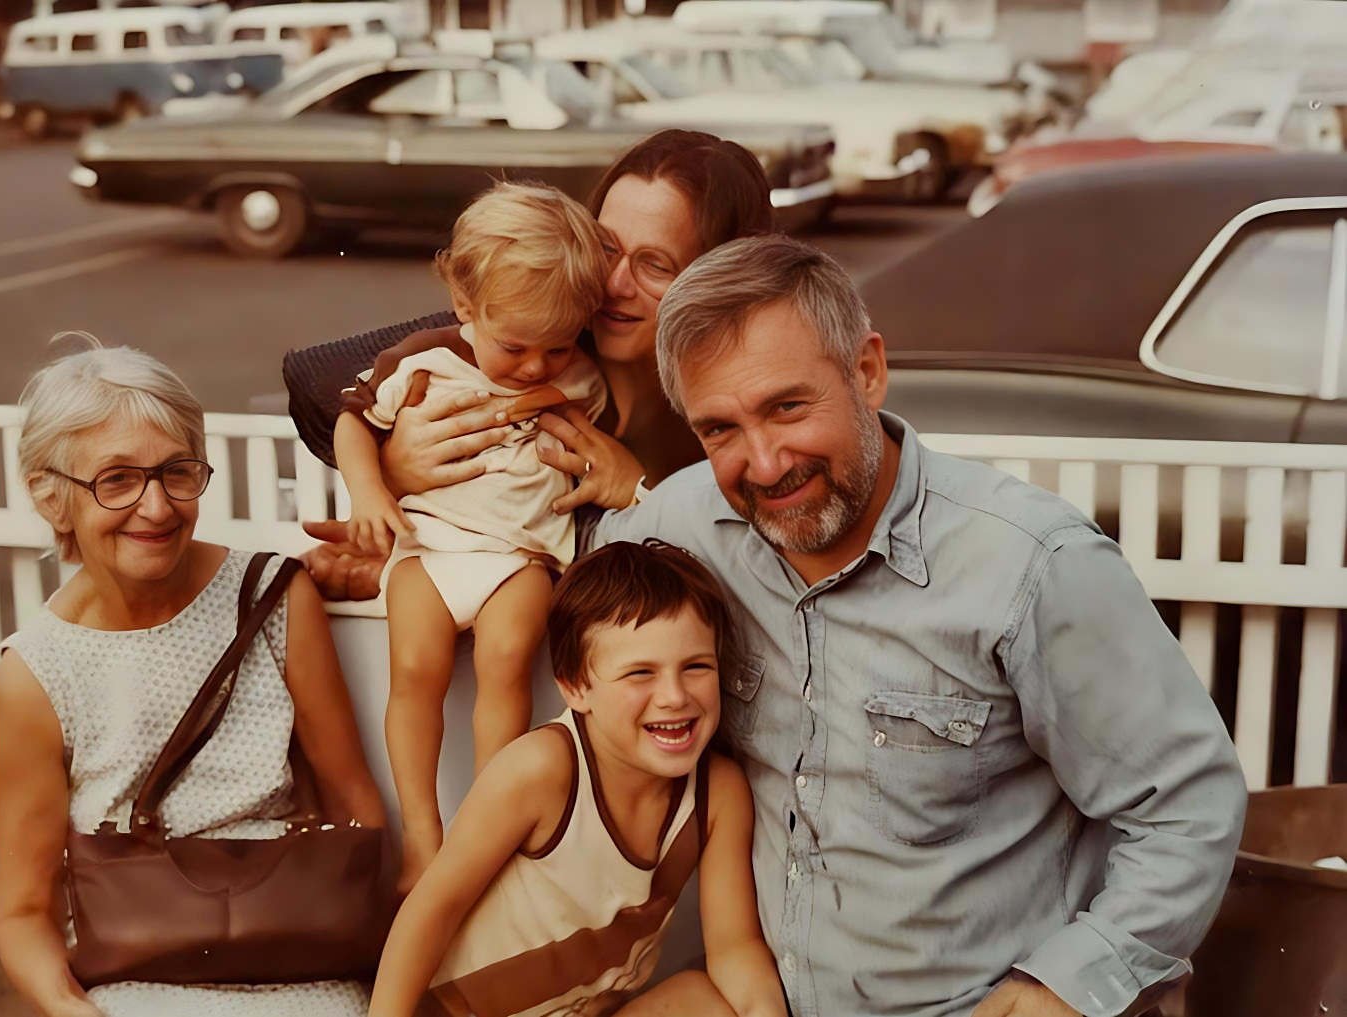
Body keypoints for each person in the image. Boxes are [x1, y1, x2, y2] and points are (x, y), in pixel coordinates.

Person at [591, 235, 1248, 1017]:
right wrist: (405, 452)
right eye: (720, 430)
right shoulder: (680, 526)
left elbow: (1187, 805)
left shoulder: (1032, 563)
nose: (763, 464)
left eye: (787, 407)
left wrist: (1065, 984)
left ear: (867, 371)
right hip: (760, 995)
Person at [0, 337, 387, 1017]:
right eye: (117, 479)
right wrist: (73, 1009)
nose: (157, 507)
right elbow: (23, 909)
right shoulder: (36, 672)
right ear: (53, 499)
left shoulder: (268, 595)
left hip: (303, 959)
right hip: (137, 979)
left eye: (177, 471)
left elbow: (357, 809)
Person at [294, 129, 775, 599]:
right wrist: (395, 468)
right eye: (605, 247)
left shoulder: (740, 418)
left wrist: (642, 492)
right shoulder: (540, 329)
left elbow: (751, 580)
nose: (612, 284)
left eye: (655, 264)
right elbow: (321, 376)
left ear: (720, 277)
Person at [369, 541, 786, 1017]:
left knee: (703, 999)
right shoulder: (541, 769)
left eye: (696, 667)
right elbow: (430, 912)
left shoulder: (719, 793)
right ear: (576, 687)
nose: (674, 696)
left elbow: (735, 946)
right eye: (639, 673)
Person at [333, 182, 610, 891]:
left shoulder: (584, 378)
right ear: (465, 307)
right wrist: (369, 489)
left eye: (558, 346)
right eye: (515, 345)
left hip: (520, 555)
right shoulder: (424, 360)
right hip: (429, 545)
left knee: (509, 655)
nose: (536, 366)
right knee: (415, 672)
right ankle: (424, 834)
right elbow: (353, 421)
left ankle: (491, 822)